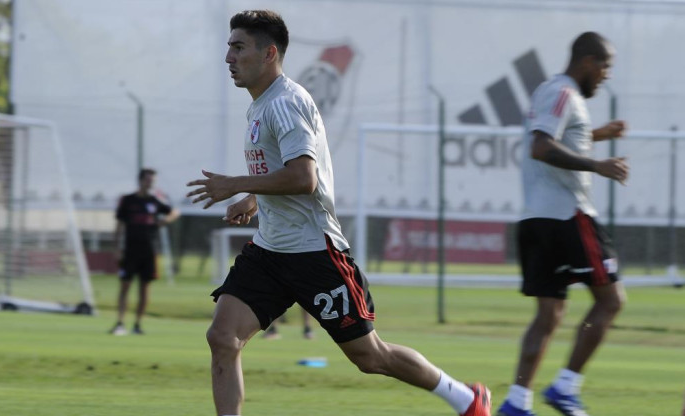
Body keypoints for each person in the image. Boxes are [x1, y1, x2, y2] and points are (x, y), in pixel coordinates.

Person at [186, 10, 491, 416]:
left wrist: (238, 183)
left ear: (269, 53)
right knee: (223, 337)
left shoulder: (285, 103)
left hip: (315, 253)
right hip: (270, 251)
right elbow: (282, 171)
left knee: (370, 357)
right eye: (229, 47)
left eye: (238, 47)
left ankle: (466, 399)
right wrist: (255, 200)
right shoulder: (259, 106)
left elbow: (304, 178)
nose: (228, 57)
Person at [497, 32, 628, 416]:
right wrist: (597, 165)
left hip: (537, 218)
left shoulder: (557, 95)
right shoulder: (563, 92)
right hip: (568, 215)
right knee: (612, 300)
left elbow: (557, 137)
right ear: (587, 61)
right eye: (604, 66)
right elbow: (541, 146)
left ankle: (517, 403)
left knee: (550, 313)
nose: (606, 75)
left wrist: (598, 135)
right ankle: (566, 387)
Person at [110, 168, 179, 336]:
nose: (150, 183)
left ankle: (137, 325)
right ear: (140, 180)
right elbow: (119, 225)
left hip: (149, 251)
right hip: (130, 250)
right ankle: (120, 323)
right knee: (125, 285)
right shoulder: (128, 200)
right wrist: (117, 247)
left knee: (144, 288)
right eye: (148, 180)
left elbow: (175, 212)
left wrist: (164, 221)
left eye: (152, 181)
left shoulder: (155, 201)